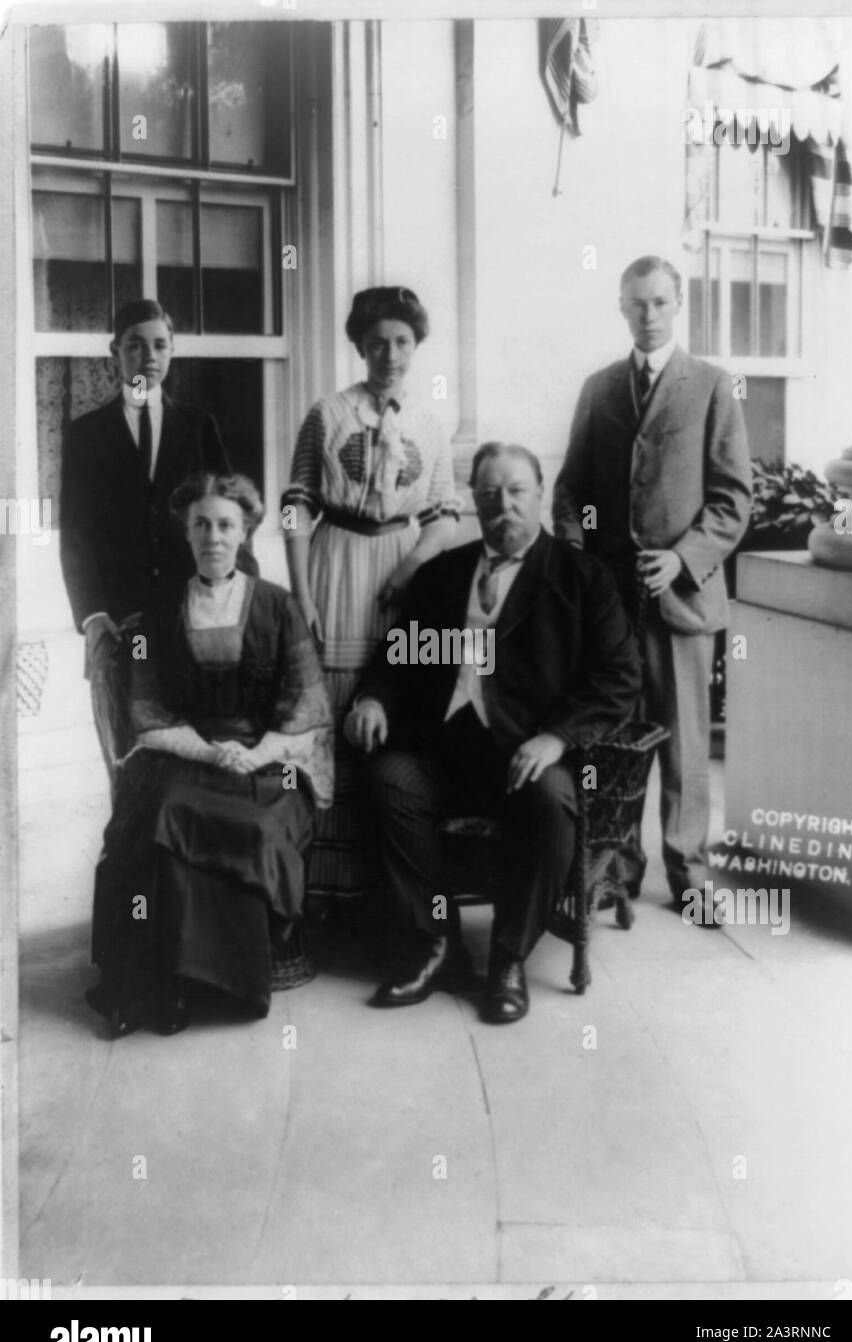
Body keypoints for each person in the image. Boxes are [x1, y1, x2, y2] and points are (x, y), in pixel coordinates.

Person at [345, 442, 641, 1023]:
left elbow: (619, 678)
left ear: (538, 495)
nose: (502, 505)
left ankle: (508, 957)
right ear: (473, 501)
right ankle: (436, 942)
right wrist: (375, 697)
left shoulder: (582, 578)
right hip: (446, 748)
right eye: (488, 494)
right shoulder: (442, 575)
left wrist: (557, 736)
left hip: (526, 752)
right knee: (389, 778)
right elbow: (397, 654)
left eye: (515, 492)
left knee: (552, 797)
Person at [86, 473, 333, 1038]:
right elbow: (146, 705)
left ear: (246, 530)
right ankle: (157, 984)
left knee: (253, 825)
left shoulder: (279, 607)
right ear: (186, 532)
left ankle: (228, 980)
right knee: (162, 813)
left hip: (266, 766)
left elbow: (307, 706)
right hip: (188, 755)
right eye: (201, 525)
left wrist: (258, 753)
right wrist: (206, 751)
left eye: (226, 525)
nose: (213, 537)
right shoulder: (158, 614)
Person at [553, 255, 752, 913]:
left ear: (677, 304)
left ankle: (688, 872)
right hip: (610, 603)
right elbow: (570, 490)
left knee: (685, 740)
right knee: (616, 736)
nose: (648, 315)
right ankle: (617, 866)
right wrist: (579, 562)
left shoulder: (712, 387)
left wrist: (682, 558)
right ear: (621, 306)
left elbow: (732, 498)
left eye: (659, 303)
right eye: (636, 303)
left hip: (681, 597)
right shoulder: (599, 388)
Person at [281, 285, 460, 901]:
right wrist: (301, 594)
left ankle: (386, 881)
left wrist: (412, 566)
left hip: (399, 570)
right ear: (360, 346)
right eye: (378, 342)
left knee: (390, 700)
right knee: (332, 706)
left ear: (417, 347)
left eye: (402, 342)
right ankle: (325, 876)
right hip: (336, 562)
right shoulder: (327, 414)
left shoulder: (431, 424)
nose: (390, 354)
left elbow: (441, 517)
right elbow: (296, 509)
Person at [60, 298, 256, 784]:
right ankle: (129, 858)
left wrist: (243, 598)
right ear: (115, 352)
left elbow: (230, 515)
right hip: (119, 625)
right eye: (135, 345)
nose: (148, 357)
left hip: (187, 619)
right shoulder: (86, 435)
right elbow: (76, 533)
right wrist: (92, 616)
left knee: (190, 759)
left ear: (172, 351)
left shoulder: (197, 426)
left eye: (160, 345)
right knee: (128, 762)